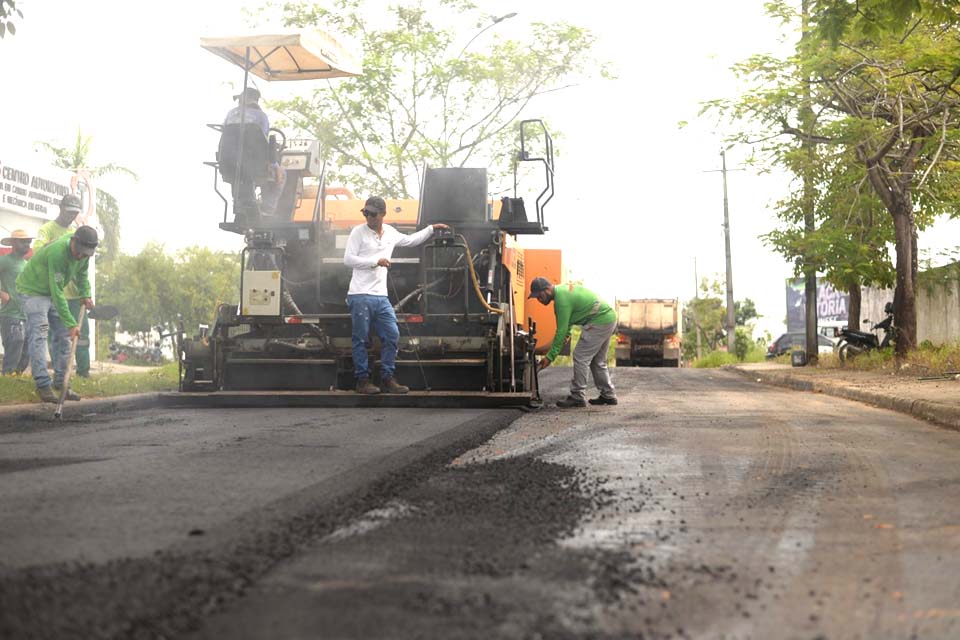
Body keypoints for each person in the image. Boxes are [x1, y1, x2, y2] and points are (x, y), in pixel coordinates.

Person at [343, 196, 449, 394]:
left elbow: (411, 240)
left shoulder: (390, 232)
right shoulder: (358, 232)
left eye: (373, 214)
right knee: (361, 339)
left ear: (383, 214)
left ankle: (387, 378)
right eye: (365, 213)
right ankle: (362, 380)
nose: (368, 217)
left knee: (392, 335)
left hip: (380, 296)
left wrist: (431, 229)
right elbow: (348, 259)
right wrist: (375, 261)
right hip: (360, 294)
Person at [16, 226, 98, 403]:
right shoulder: (57, 252)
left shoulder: (85, 253)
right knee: (40, 333)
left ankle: (61, 384)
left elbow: (82, 275)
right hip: (32, 290)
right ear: (74, 241)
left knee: (64, 337)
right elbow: (58, 292)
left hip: (51, 291)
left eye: (85, 254)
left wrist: (85, 293)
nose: (80, 257)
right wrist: (70, 323)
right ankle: (43, 386)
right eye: (79, 252)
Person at [529, 277, 618, 408]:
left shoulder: (561, 300)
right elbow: (566, 328)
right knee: (598, 360)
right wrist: (564, 336)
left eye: (539, 295)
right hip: (607, 317)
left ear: (547, 289)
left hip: (600, 319)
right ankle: (608, 395)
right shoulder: (562, 293)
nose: (539, 299)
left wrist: (550, 357)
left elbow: (561, 331)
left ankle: (577, 396)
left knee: (580, 356)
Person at [35, 193, 91, 377]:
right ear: (60, 208)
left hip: (74, 294)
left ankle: (83, 371)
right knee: (58, 336)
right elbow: (38, 251)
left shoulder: (77, 233)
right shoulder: (47, 229)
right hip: (54, 292)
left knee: (80, 334)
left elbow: (83, 269)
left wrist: (86, 292)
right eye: (69, 212)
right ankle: (60, 374)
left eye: (75, 213)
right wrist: (57, 245)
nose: (71, 216)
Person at [223, 86, 285, 217]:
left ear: (244, 98)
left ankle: (239, 203)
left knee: (244, 175)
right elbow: (263, 145)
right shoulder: (261, 117)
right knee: (282, 174)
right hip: (254, 166)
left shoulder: (230, 113)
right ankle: (267, 209)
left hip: (228, 163)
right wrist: (275, 165)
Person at [0, 229, 33, 375]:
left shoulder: (26, 264)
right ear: (13, 243)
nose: (27, 244)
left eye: (28, 242)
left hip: (26, 315)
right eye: (23, 241)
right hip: (10, 314)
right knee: (15, 343)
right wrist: (2, 293)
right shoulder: (5, 260)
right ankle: (7, 376)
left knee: (27, 350)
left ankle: (16, 378)